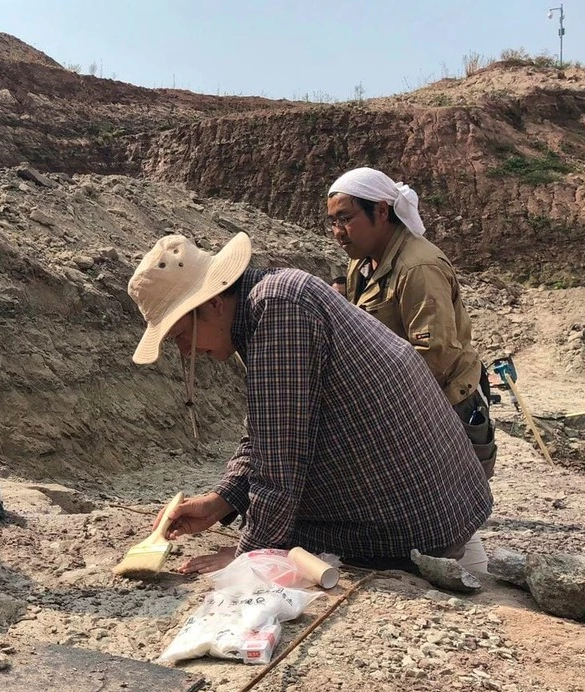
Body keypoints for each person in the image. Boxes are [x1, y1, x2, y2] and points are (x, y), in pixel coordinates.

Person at [126, 233, 492, 574]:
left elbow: (280, 463)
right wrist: (221, 499)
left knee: (284, 533)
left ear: (214, 303)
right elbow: (266, 432)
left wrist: (249, 555)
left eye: (180, 335)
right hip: (442, 506)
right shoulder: (270, 302)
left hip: (418, 524)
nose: (186, 351)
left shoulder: (279, 311)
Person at [327, 167, 496, 478]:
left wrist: (373, 402)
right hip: (403, 402)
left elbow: (434, 355)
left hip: (442, 407)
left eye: (346, 218)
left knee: (448, 500)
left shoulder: (418, 267)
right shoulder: (361, 263)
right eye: (333, 222)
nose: (338, 231)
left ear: (381, 211)